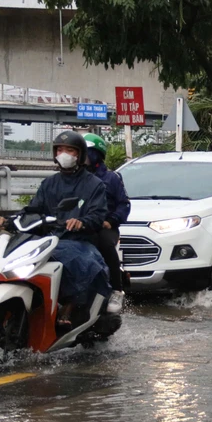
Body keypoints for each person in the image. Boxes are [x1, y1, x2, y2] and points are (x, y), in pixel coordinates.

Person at [0, 131, 111, 327]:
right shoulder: (49, 183)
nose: (64, 154)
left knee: (78, 260)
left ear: (80, 155)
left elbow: (98, 214)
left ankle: (72, 304)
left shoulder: (94, 184)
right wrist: (9, 220)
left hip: (79, 240)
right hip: (50, 239)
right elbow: (33, 209)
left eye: (70, 150)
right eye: (60, 149)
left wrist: (82, 221)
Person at [85, 133, 130, 314]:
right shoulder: (75, 178)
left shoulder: (112, 178)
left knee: (104, 242)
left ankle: (116, 290)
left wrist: (111, 221)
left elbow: (124, 204)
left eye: (87, 152)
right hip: (81, 225)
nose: (83, 157)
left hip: (104, 227)